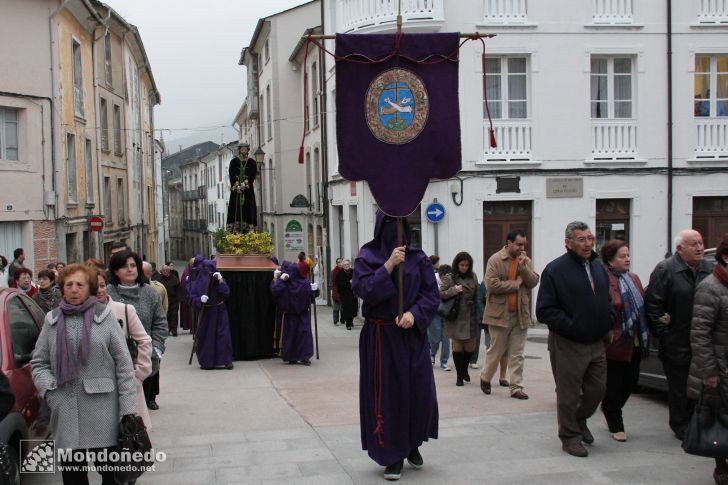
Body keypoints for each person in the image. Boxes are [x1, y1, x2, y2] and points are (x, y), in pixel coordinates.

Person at [351, 211, 439, 481]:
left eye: (401, 224)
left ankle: (412, 442)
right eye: (391, 224)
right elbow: (364, 290)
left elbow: (430, 294)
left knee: (417, 393)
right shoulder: (367, 257)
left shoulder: (419, 259)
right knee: (388, 397)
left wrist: (414, 313)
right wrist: (388, 265)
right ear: (380, 225)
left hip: (410, 336)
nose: (396, 230)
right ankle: (392, 455)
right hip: (381, 339)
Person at [31, 264, 137, 485]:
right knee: (72, 476)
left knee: (111, 475)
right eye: (69, 285)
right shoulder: (51, 321)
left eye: (80, 284)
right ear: (62, 288)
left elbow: (124, 366)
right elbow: (38, 363)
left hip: (103, 411)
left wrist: (127, 411)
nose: (74, 289)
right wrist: (50, 390)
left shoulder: (105, 318)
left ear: (89, 288)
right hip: (65, 410)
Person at [536, 221, 613, 458]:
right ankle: (569, 437)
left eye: (590, 238)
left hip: (596, 341)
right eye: (582, 239)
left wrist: (608, 319)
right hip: (568, 342)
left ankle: (579, 420)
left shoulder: (598, 266)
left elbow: (606, 298)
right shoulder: (555, 269)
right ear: (568, 243)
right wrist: (572, 326)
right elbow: (545, 310)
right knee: (568, 395)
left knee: (597, 390)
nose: (588, 243)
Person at [645, 229, 713, 440]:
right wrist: (665, 334)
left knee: (703, 387)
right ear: (680, 249)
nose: (700, 247)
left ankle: (699, 424)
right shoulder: (666, 269)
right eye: (694, 244)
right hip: (677, 341)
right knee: (680, 388)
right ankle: (681, 426)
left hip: (703, 340)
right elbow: (653, 305)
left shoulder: (709, 268)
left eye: (701, 243)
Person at [687, 234, 728, 485]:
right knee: (720, 418)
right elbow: (700, 334)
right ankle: (721, 465)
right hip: (720, 368)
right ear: (725, 257)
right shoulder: (710, 286)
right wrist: (709, 371)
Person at [480, 229, 539, 400]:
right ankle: (485, 377)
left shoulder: (525, 260)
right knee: (496, 351)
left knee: (517, 353)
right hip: (499, 314)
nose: (522, 248)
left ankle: (516, 387)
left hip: (521, 313)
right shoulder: (495, 260)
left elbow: (533, 281)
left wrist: (524, 268)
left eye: (524, 244)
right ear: (509, 243)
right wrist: (515, 284)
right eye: (519, 244)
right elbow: (491, 285)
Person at [599, 240, 648, 442]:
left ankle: (610, 409)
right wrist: (608, 333)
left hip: (634, 340)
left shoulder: (634, 279)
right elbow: (601, 310)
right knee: (614, 386)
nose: (627, 259)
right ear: (610, 260)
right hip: (614, 343)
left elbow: (644, 305)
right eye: (622, 256)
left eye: (628, 255)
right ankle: (616, 423)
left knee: (631, 382)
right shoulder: (603, 280)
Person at [107, 250, 168, 411]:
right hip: (115, 360)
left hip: (144, 358)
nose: (129, 269)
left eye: (133, 265)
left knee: (140, 409)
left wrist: (156, 348)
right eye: (124, 266)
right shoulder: (108, 293)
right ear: (115, 271)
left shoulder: (149, 293)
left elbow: (160, 323)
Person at [96, 269, 153, 428]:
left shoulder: (124, 310)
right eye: (94, 287)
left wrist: (140, 373)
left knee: (132, 435)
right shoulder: (83, 316)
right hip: (98, 387)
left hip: (126, 381)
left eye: (102, 285)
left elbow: (144, 341)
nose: (99, 290)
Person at [439, 252, 479, 387]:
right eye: (462, 265)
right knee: (457, 348)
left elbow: (477, 295)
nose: (464, 268)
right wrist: (454, 290)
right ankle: (459, 376)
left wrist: (479, 313)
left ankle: (464, 369)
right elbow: (440, 294)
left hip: (470, 316)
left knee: (469, 348)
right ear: (457, 264)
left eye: (467, 265)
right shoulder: (450, 278)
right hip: (455, 316)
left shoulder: (473, 277)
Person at [187, 256, 234, 370]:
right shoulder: (195, 281)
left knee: (223, 336)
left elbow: (226, 292)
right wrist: (199, 300)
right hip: (206, 313)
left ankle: (226, 360)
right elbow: (190, 298)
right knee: (206, 337)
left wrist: (221, 281)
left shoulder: (217, 279)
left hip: (220, 310)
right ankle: (207, 361)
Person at [270, 261, 316, 366]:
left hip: (292, 314)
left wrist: (279, 280)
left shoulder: (286, 284)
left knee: (292, 335)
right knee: (302, 334)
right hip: (299, 313)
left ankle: (293, 356)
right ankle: (302, 356)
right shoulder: (304, 282)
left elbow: (274, 290)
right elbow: (311, 297)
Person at [474, 280, 509, 383]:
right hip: (492, 320)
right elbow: (479, 300)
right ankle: (486, 376)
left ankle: (502, 377)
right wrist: (485, 313)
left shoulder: (510, 281)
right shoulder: (486, 282)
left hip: (506, 319)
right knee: (492, 348)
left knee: (505, 350)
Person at [226, 141, 257, 231]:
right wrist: (237, 186)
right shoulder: (234, 162)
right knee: (235, 209)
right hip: (237, 191)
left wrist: (245, 184)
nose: (243, 150)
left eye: (245, 149)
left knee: (248, 209)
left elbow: (252, 174)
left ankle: (248, 229)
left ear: (248, 150)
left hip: (248, 191)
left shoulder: (252, 162)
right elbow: (231, 174)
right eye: (242, 149)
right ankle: (235, 229)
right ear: (239, 150)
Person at [428, 258, 451, 371]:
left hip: (446, 313)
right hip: (435, 312)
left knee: (446, 339)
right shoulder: (432, 278)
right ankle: (432, 354)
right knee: (435, 338)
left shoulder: (451, 282)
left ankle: (444, 362)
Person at [158, 265, 181, 336]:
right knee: (165, 315)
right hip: (163, 300)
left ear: (169, 271)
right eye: (164, 270)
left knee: (174, 315)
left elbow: (178, 290)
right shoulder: (158, 279)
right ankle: (166, 329)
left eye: (167, 270)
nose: (165, 272)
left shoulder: (174, 279)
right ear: (161, 271)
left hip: (173, 300)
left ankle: (174, 330)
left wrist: (179, 299)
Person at [336, 259, 358, 330]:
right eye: (345, 265)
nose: (346, 266)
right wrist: (349, 282)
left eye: (347, 264)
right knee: (347, 310)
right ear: (343, 266)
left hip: (353, 294)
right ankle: (348, 324)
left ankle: (351, 321)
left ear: (350, 265)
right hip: (345, 295)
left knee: (354, 309)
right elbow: (339, 285)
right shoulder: (340, 274)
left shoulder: (353, 272)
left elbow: (358, 280)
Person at [179, 257, 196, 332]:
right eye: (192, 264)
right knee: (190, 314)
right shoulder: (186, 272)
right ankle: (192, 327)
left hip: (197, 297)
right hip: (189, 297)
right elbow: (183, 284)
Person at [332, 257, 343, 325]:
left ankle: (342, 320)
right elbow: (333, 282)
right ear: (336, 263)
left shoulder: (345, 270)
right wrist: (335, 292)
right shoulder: (334, 271)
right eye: (338, 262)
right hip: (336, 290)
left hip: (343, 291)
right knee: (336, 308)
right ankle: (335, 320)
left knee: (343, 307)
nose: (340, 263)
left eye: (341, 262)